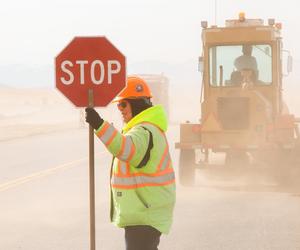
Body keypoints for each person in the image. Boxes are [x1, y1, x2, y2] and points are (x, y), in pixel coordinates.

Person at [85, 76, 176, 250]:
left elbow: (127, 149)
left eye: (123, 104)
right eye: (119, 105)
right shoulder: (145, 128)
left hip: (144, 214)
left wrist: (99, 125)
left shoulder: (144, 130)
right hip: (145, 212)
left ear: (138, 103)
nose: (120, 109)